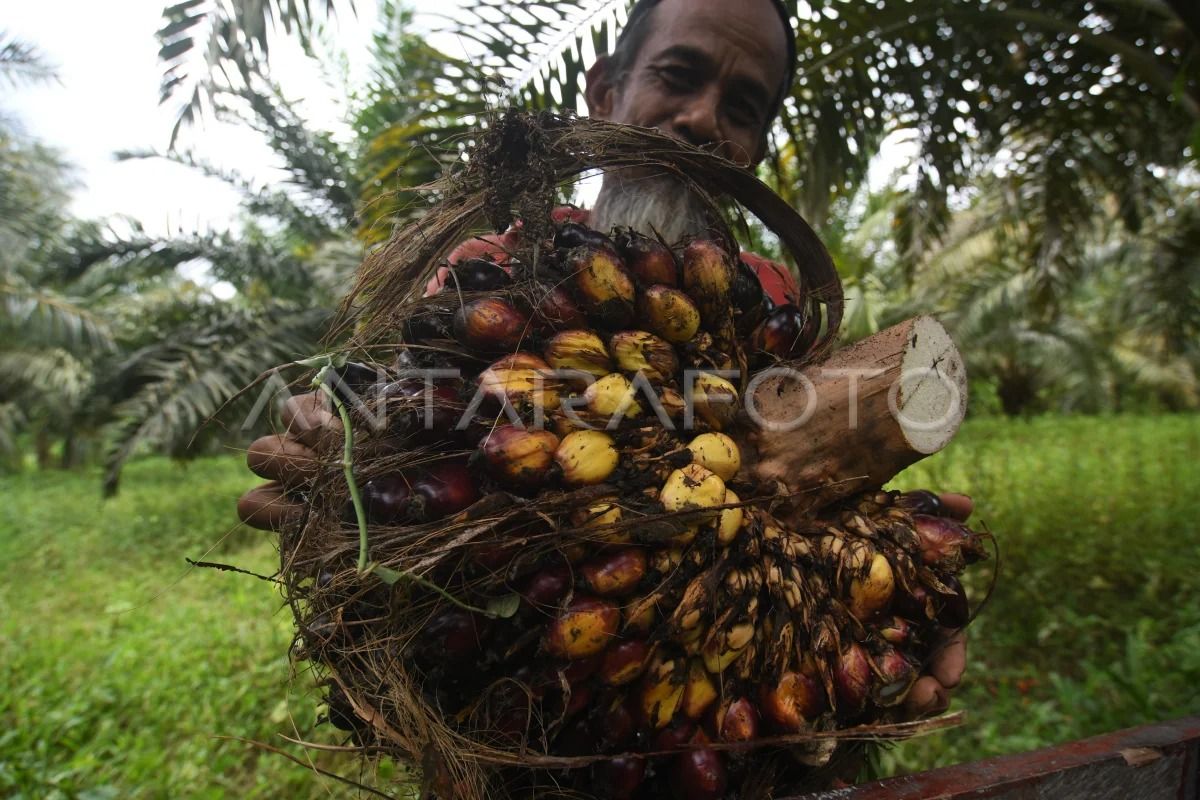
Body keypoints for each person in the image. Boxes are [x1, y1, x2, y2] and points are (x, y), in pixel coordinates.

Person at [238, 0, 968, 730]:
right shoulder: (489, 268)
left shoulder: (775, 302)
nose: (702, 121)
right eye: (678, 76)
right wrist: (349, 451)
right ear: (604, 93)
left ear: (754, 147)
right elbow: (410, 417)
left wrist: (905, 575)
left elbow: (822, 474)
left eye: (741, 108)